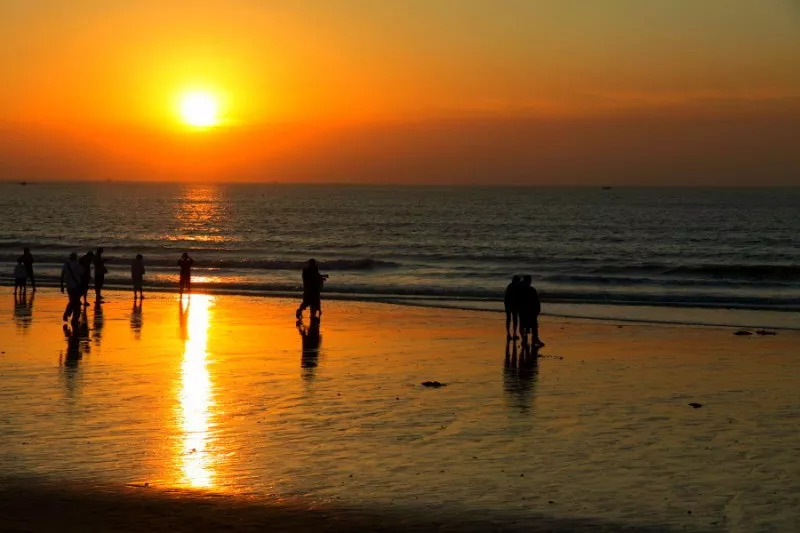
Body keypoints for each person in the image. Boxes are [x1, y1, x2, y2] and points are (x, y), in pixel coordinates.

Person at [519, 275, 544, 347]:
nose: (530, 282)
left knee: (530, 325)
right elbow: (537, 300)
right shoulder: (527, 290)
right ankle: (528, 339)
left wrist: (537, 309)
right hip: (526, 310)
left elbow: (537, 300)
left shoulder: (527, 289)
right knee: (530, 325)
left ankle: (527, 339)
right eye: (529, 280)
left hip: (528, 310)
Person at [60, 252, 84, 323]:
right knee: (76, 302)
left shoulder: (65, 264)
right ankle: (71, 316)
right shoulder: (77, 264)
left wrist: (61, 286)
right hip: (76, 286)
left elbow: (62, 275)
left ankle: (71, 316)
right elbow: (82, 273)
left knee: (73, 301)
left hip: (69, 286)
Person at [504, 275, 522, 339]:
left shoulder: (510, 286)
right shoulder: (516, 287)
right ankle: (512, 333)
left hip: (509, 304)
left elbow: (506, 297)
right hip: (512, 304)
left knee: (510, 319)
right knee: (514, 319)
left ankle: (510, 334)